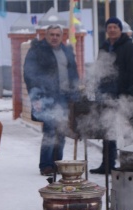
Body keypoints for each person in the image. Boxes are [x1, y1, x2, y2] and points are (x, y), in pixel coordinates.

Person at [24, 24, 79, 176]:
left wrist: (75, 94)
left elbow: (74, 73)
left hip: (65, 97)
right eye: (51, 34)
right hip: (46, 96)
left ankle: (57, 163)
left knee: (61, 130)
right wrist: (36, 96)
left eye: (57, 35)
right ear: (46, 35)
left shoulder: (67, 51)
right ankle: (46, 165)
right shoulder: (37, 50)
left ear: (62, 37)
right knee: (49, 130)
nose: (54, 37)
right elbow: (29, 74)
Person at [89, 17, 133, 175]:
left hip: (123, 96)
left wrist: (131, 92)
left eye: (115, 27)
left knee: (127, 130)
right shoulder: (104, 47)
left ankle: (131, 164)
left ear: (120, 29)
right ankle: (107, 164)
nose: (111, 30)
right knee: (107, 130)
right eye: (109, 27)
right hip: (105, 95)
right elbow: (99, 68)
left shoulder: (129, 47)